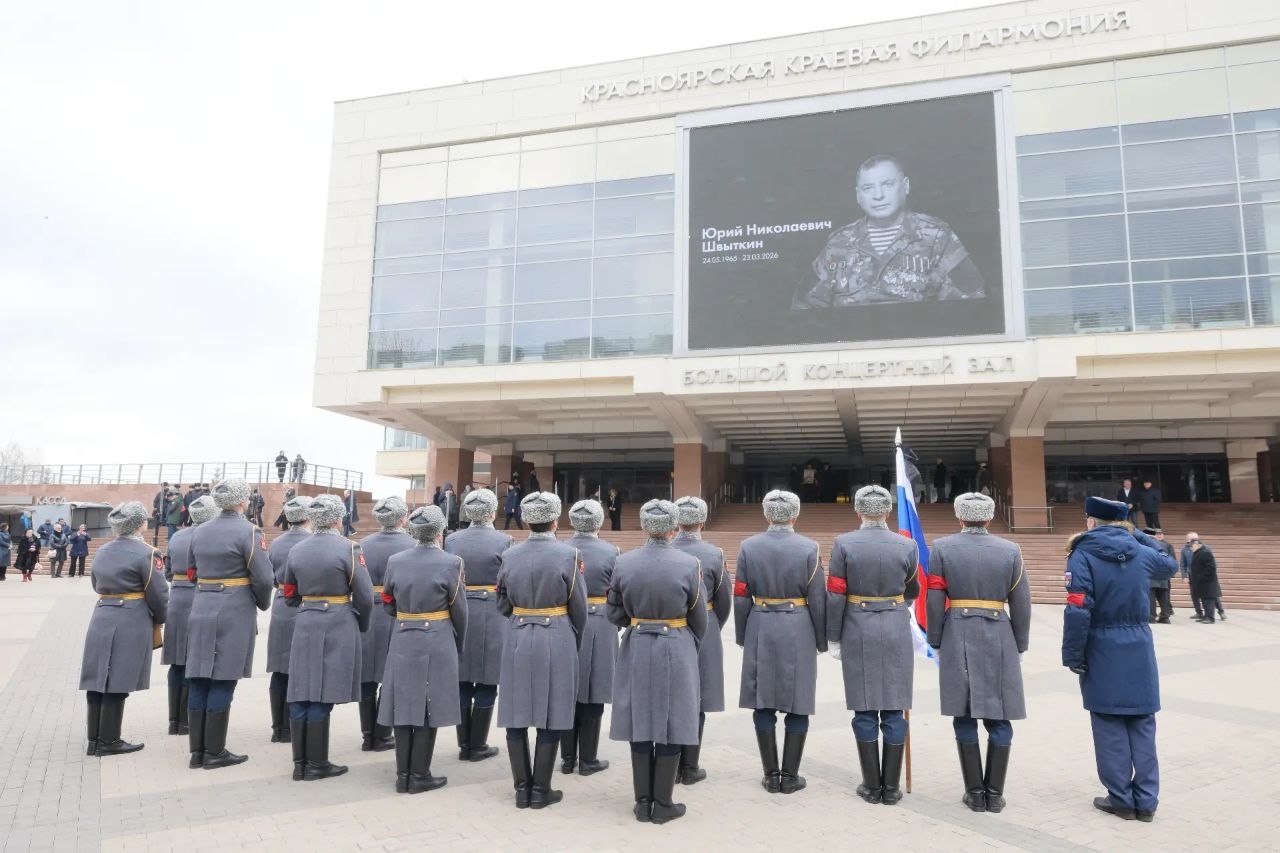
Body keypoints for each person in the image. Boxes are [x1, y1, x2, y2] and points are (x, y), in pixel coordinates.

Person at [1063, 496, 1177, 822]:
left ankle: (1122, 799)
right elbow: (1169, 564)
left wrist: (1073, 654)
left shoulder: (1082, 553)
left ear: (1090, 521)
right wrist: (1135, 533)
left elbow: (1078, 607)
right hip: (1139, 645)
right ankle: (1147, 801)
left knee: (1109, 722)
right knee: (1142, 721)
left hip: (1101, 645)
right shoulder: (1140, 551)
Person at [927, 493, 1031, 813]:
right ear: (988, 518)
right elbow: (1021, 602)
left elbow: (934, 598)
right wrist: (1021, 644)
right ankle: (994, 795)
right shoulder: (1011, 550)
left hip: (957, 630)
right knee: (999, 714)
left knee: (964, 712)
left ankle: (974, 793)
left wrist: (935, 639)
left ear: (959, 517)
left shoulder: (942, 548)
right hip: (999, 632)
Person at [608, 499, 706, 824]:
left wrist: (638, 622)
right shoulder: (689, 563)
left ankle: (642, 802)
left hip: (637, 643)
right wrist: (688, 642)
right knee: (671, 721)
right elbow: (699, 617)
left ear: (643, 526)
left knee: (639, 720)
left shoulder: (624, 562)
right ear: (674, 527)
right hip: (676, 643)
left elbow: (614, 612)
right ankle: (663, 803)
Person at [826, 485, 920, 806]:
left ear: (858, 511)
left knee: (864, 707)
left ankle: (871, 786)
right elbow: (913, 590)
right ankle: (891, 789)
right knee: (894, 706)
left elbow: (836, 593)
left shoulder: (844, 543)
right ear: (888, 512)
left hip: (857, 627)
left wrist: (833, 635)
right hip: (895, 627)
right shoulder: (907, 545)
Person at [793, 155, 986, 308]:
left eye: (887, 184)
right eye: (868, 188)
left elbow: (969, 303)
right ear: (858, 196)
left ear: (906, 186)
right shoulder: (838, 243)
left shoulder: (936, 237)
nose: (878, 195)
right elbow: (805, 306)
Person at [495, 491, 588, 810]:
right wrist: (572, 639)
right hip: (557, 634)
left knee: (515, 712)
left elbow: (502, 603)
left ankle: (522, 789)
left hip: (518, 635)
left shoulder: (509, 554)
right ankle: (541, 790)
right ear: (554, 520)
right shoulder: (569, 555)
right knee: (553, 710)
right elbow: (579, 607)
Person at [735, 490, 826, 795]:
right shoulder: (809, 548)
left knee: (763, 699)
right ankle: (790, 775)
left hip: (759, 623)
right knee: (798, 700)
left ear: (766, 514)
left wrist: (742, 634)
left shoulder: (748, 546)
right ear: (794, 516)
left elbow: (741, 595)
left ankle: (770, 774)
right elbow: (818, 598)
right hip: (798, 625)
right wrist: (821, 639)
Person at [280, 494, 375, 781]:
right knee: (322, 691)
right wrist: (361, 623)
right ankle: (317, 763)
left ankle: (300, 764)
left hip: (305, 621)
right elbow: (365, 596)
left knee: (301, 690)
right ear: (337, 519)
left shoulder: (297, 549)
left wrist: (307, 605)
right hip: (337, 621)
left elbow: (289, 593)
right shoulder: (349, 548)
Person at [185, 479, 274, 770]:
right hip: (233, 609)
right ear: (241, 502)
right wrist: (261, 603)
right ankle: (214, 752)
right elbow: (264, 578)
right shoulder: (250, 531)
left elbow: (191, 571)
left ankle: (197, 751)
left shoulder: (200, 530)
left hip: (201, 606)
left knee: (199, 677)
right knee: (223, 677)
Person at [378, 504, 466, 793]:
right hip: (437, 637)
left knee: (403, 703)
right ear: (440, 532)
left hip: (403, 635)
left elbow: (388, 601)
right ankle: (419, 774)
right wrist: (458, 642)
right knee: (429, 704)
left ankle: (403, 774)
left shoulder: (395, 560)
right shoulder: (452, 562)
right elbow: (459, 609)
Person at [79, 501, 169, 757]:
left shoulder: (103, 550)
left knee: (98, 678)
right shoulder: (147, 553)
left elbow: (96, 583)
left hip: (102, 614)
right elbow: (158, 593)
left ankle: (95, 739)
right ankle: (109, 740)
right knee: (119, 678)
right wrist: (161, 618)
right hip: (131, 617)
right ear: (140, 524)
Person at [444, 489, 513, 763]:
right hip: (493, 612)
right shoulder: (504, 541)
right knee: (487, 679)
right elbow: (509, 580)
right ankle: (477, 745)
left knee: (462, 679)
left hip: (458, 609)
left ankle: (465, 745)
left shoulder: (451, 539)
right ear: (493, 513)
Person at [671, 496, 730, 786]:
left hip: (672, 627)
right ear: (702, 523)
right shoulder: (714, 554)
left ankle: (671, 767)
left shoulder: (666, 550)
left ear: (676, 522)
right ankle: (690, 767)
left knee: (672, 698)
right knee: (698, 700)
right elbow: (723, 600)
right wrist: (714, 624)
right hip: (705, 626)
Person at [560, 499, 619, 777]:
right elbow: (619, 592)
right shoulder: (611, 552)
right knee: (595, 692)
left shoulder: (561, 549)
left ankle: (567, 758)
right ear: (599, 523)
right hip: (602, 623)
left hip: (566, 622)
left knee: (568, 691)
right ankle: (587, 759)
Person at [357, 497, 414, 752]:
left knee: (367, 677)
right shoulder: (412, 545)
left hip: (368, 611)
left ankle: (368, 734)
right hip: (397, 613)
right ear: (402, 518)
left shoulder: (363, 544)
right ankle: (382, 734)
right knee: (392, 677)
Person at [162, 495, 218, 736]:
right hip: (200, 597)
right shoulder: (209, 537)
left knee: (177, 662)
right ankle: (187, 721)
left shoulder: (177, 536)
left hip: (177, 598)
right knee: (194, 661)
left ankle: (175, 720)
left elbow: (167, 572)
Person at [265, 495, 313, 744]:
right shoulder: (312, 543)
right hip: (307, 607)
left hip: (282, 604)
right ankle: (297, 726)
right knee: (303, 669)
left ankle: (279, 728)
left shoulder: (277, 543)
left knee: (280, 668)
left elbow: (270, 576)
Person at [1187, 534, 1223, 624]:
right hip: (1201, 583)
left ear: (1196, 544)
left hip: (1207, 583)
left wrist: (1201, 577)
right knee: (1204, 600)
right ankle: (1205, 616)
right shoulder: (1198, 552)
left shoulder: (1205, 552)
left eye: (1191, 546)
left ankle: (1210, 618)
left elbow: (1211, 568)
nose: (1191, 548)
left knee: (1208, 601)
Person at [1146, 528, 1174, 624]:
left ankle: (1151, 617)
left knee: (1151, 597)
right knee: (1163, 597)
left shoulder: (1146, 545)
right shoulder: (1165, 545)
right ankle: (1165, 617)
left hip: (1152, 574)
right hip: (1163, 575)